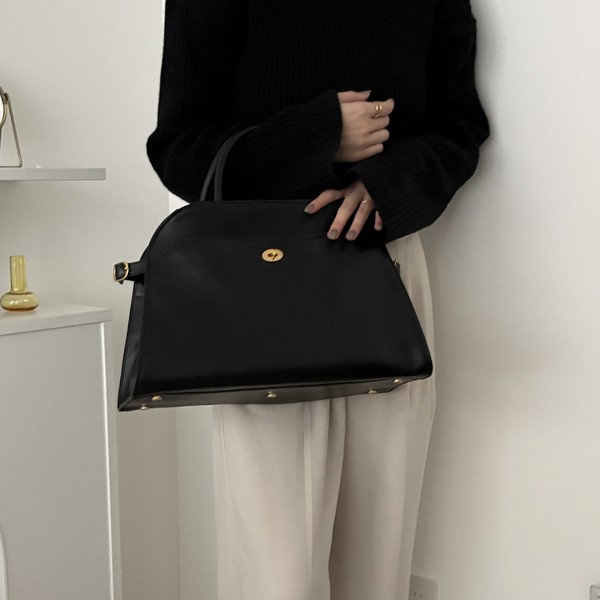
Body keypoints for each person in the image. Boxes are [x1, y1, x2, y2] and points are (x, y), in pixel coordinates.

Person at [146, 0, 490, 597]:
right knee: (277, 571)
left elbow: (459, 127)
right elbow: (180, 147)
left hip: (383, 264)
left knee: (378, 558)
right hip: (262, 281)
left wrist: (387, 184)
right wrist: (318, 136)